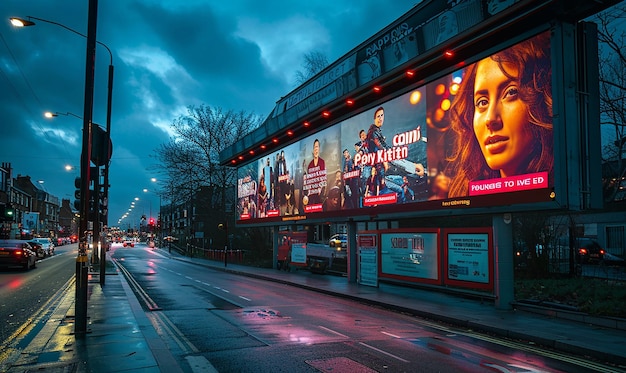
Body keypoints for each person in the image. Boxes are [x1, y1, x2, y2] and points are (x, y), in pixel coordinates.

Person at [445, 32, 553, 198]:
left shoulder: (561, 190)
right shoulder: (464, 196)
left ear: (544, 99)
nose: (490, 119)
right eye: (482, 102)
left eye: (511, 93)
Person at [305, 138, 326, 205]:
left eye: (317, 147)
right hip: (311, 193)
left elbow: (324, 178)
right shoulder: (310, 165)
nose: (316, 149)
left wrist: (320, 188)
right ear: (313, 150)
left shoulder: (322, 162)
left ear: (319, 149)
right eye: (314, 147)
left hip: (320, 193)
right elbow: (308, 181)